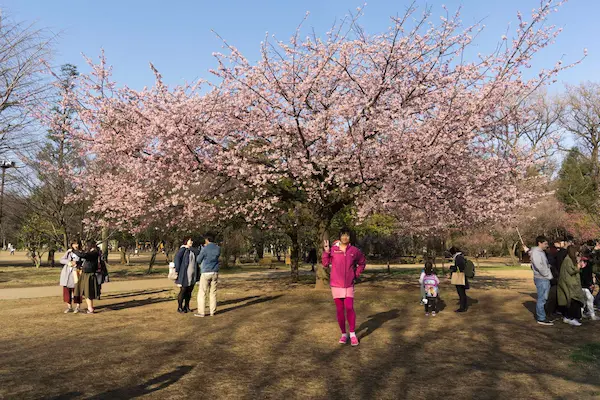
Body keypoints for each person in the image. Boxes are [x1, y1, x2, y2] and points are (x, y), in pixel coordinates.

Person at [322, 227, 366, 346]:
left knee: (349, 307)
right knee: (340, 310)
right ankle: (343, 334)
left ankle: (352, 334)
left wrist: (355, 274)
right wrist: (326, 252)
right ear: (340, 236)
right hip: (336, 285)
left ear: (350, 237)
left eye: (347, 235)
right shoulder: (333, 250)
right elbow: (325, 264)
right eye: (343, 235)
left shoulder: (354, 250)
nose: (345, 237)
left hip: (348, 285)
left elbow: (362, 262)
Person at [558, 245, 585, 326]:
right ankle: (571, 318)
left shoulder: (570, 259)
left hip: (571, 283)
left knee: (572, 301)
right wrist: (578, 267)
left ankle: (568, 317)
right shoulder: (567, 260)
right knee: (572, 301)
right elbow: (571, 271)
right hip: (570, 284)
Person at [194, 234, 221, 318]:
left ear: (206, 240)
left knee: (202, 292)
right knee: (213, 292)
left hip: (206, 271)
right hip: (215, 271)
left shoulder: (205, 249)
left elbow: (198, 260)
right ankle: (212, 311)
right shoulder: (218, 248)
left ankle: (201, 312)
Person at [73, 240, 100, 314]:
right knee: (83, 291)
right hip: (85, 273)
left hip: (89, 274)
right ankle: (89, 308)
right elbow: (85, 260)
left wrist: (74, 250)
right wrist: (78, 263)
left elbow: (84, 256)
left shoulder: (94, 252)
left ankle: (90, 308)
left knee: (88, 292)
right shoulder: (91, 253)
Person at [174, 237, 198, 314]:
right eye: (190, 240)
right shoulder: (183, 249)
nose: (192, 241)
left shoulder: (192, 250)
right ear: (186, 241)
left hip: (192, 274)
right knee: (183, 290)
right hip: (184, 274)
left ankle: (186, 306)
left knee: (189, 291)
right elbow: (177, 259)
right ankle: (179, 307)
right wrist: (177, 270)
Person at [59, 241, 83, 313]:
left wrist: (77, 263)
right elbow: (61, 260)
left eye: (77, 243)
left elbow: (84, 261)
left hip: (76, 273)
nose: (76, 245)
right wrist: (69, 262)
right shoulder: (69, 252)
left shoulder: (81, 252)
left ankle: (78, 306)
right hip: (67, 274)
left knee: (77, 291)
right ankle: (69, 307)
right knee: (66, 291)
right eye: (74, 244)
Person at [448, 247, 469, 313]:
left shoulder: (458, 257)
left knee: (461, 293)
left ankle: (462, 308)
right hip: (462, 276)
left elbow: (460, 267)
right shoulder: (460, 256)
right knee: (462, 292)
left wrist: (452, 267)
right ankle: (464, 306)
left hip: (460, 277)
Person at [579, 248, 597, 320]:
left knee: (584, 300)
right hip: (585, 286)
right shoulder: (587, 266)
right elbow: (587, 277)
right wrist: (591, 284)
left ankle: (581, 313)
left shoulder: (582, 266)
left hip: (582, 285)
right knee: (590, 299)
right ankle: (592, 315)